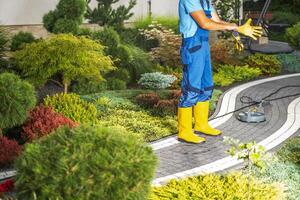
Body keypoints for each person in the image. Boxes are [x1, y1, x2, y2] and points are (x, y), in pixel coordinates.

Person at [178, 0, 263, 143]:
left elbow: (216, 20)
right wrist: (233, 27)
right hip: (192, 46)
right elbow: (205, 23)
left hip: (203, 46)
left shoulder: (205, 2)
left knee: (206, 86)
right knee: (191, 88)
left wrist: (236, 29)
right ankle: (184, 131)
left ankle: (201, 124)